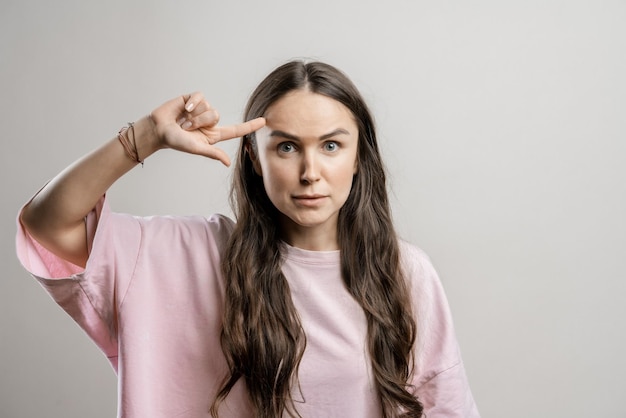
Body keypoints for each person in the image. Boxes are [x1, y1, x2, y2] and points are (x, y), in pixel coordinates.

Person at [16, 60, 480, 417]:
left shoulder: (403, 273)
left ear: (359, 159)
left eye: (332, 145)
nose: (310, 172)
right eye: (286, 146)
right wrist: (148, 136)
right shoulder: (190, 256)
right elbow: (48, 223)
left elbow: (445, 406)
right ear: (256, 161)